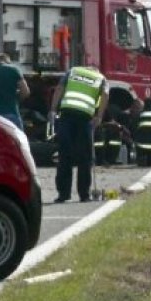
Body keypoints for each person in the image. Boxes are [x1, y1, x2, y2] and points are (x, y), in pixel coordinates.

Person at [49, 65, 109, 203]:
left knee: (64, 156)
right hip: (84, 118)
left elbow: (59, 89)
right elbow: (105, 95)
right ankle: (84, 194)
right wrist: (99, 117)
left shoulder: (72, 71)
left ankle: (63, 194)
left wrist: (53, 109)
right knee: (85, 157)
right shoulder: (101, 78)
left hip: (66, 115)